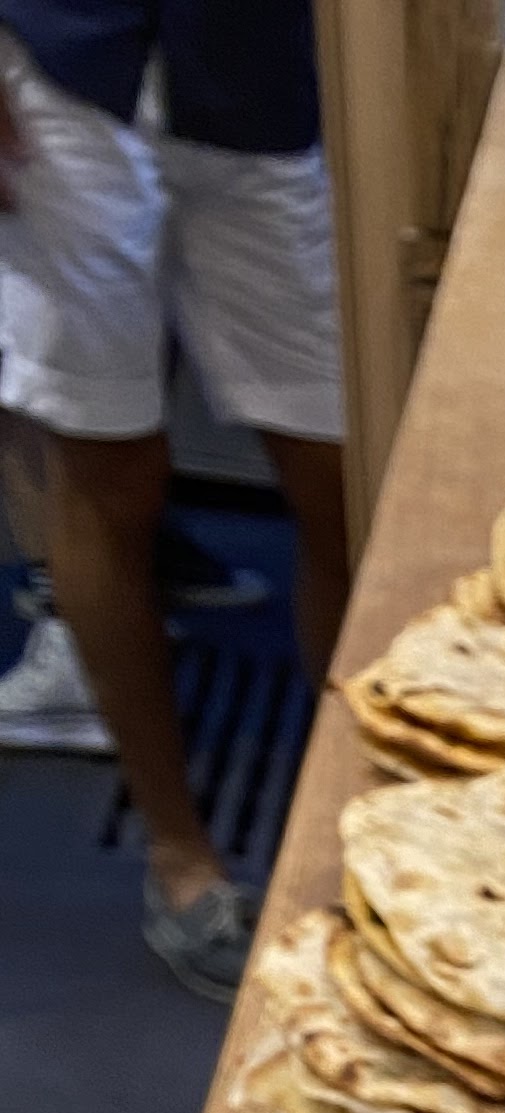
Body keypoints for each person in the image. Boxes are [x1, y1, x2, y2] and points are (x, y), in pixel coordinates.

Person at [0, 0, 349, 996]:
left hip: (256, 75)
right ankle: (180, 857)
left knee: (342, 475)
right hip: (57, 64)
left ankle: (353, 819)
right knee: (108, 476)